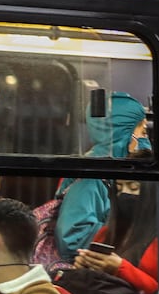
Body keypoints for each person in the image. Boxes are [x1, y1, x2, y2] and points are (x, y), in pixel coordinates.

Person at [51, 92, 151, 262]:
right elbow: (71, 236)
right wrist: (124, 233)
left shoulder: (109, 169)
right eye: (142, 131)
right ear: (123, 133)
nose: (145, 139)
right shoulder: (92, 177)